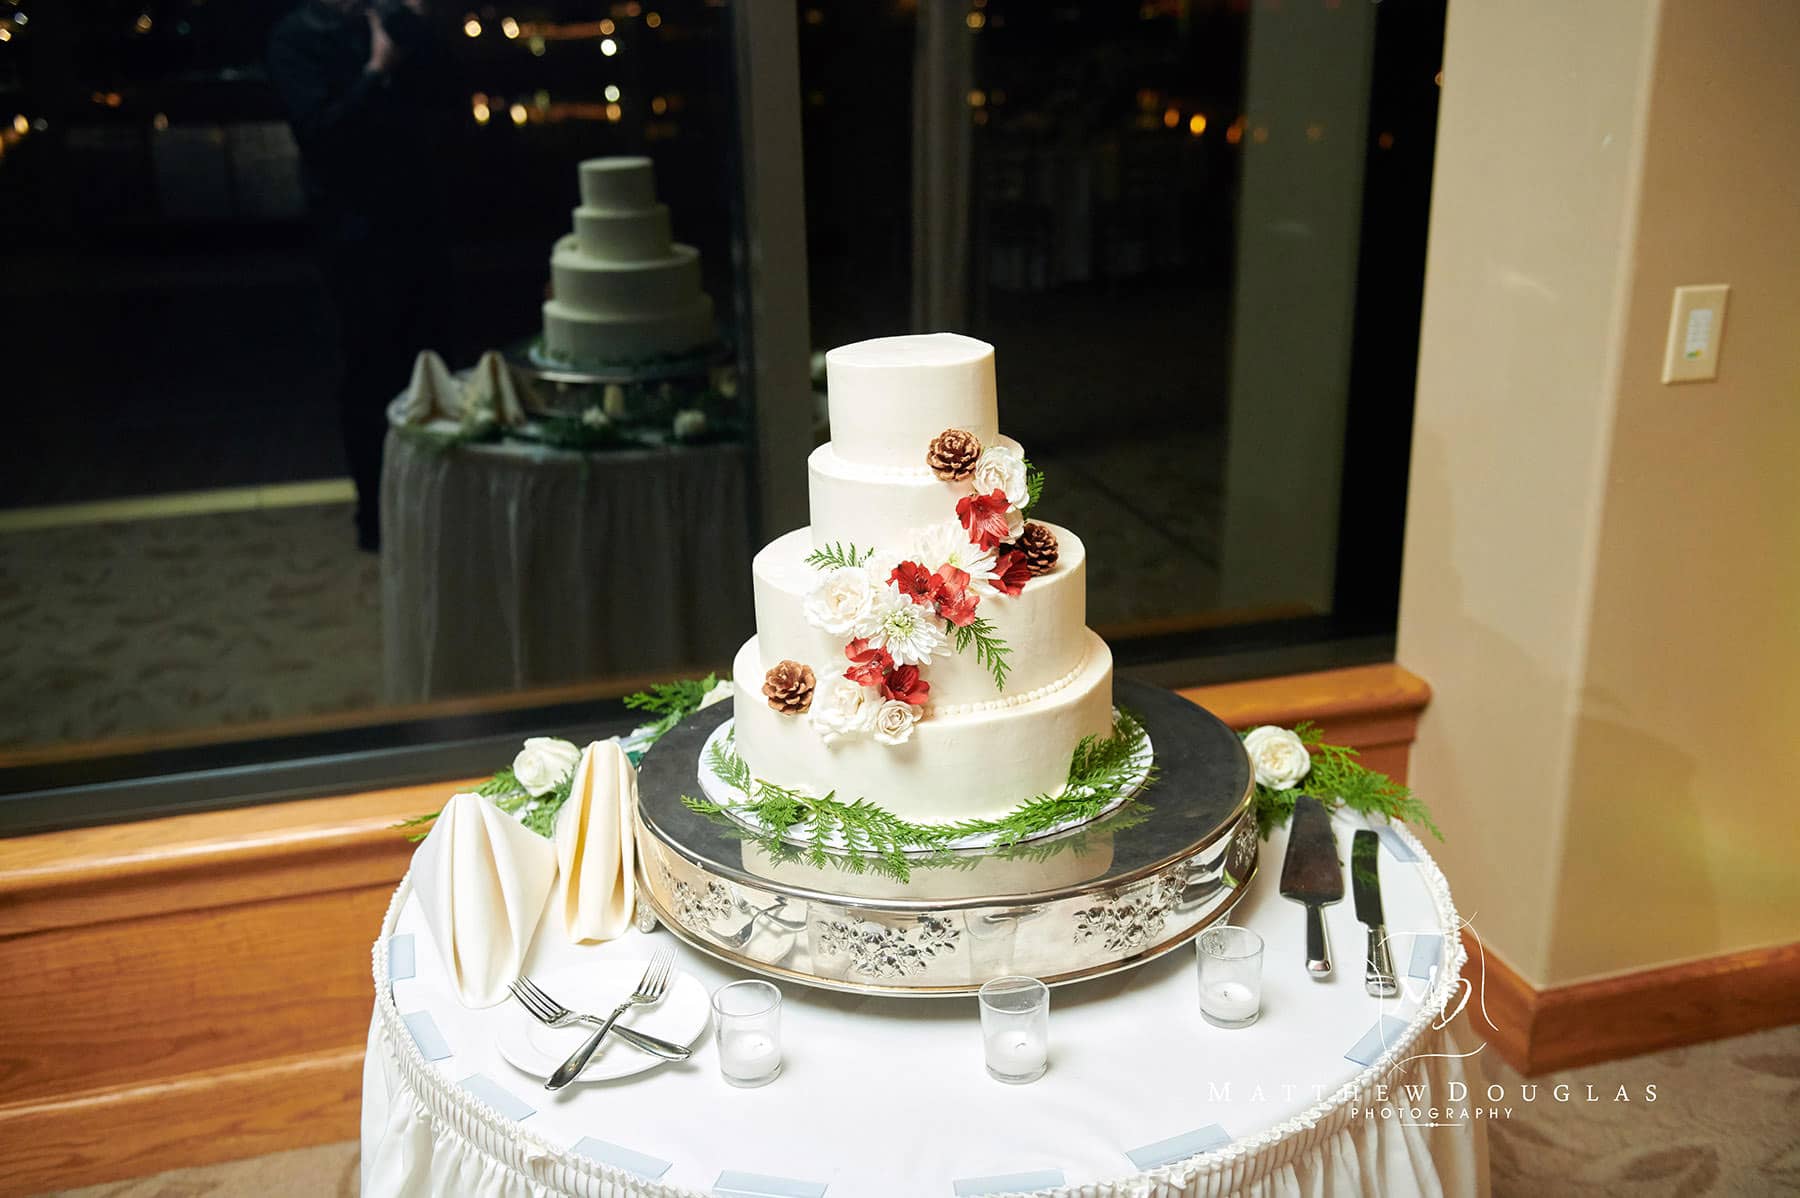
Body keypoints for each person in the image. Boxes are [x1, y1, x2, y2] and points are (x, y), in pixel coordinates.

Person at [268, 0, 449, 552]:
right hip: (352, 234)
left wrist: (416, 29)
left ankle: (438, 504)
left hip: (416, 222)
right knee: (370, 372)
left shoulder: (386, 21)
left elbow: (443, 103)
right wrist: (376, 70)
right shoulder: (298, 37)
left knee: (430, 364)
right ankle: (376, 516)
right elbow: (322, 135)